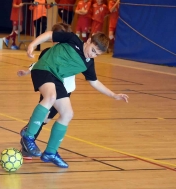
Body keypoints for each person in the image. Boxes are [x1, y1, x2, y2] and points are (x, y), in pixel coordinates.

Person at [20, 30, 129, 168]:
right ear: (89, 41)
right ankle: (28, 136)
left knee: (67, 114)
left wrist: (113, 95)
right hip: (44, 69)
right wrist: (32, 45)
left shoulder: (89, 63)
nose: (92, 54)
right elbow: (49, 34)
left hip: (57, 78)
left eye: (97, 54)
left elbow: (94, 81)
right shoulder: (72, 39)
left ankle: (50, 152)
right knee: (51, 97)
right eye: (93, 50)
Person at [17, 22, 75, 160]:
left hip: (66, 90)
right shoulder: (47, 52)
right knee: (44, 113)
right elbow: (39, 65)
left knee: (46, 119)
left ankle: (29, 127)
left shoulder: (71, 53)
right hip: (50, 87)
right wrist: (26, 72)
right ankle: (27, 147)